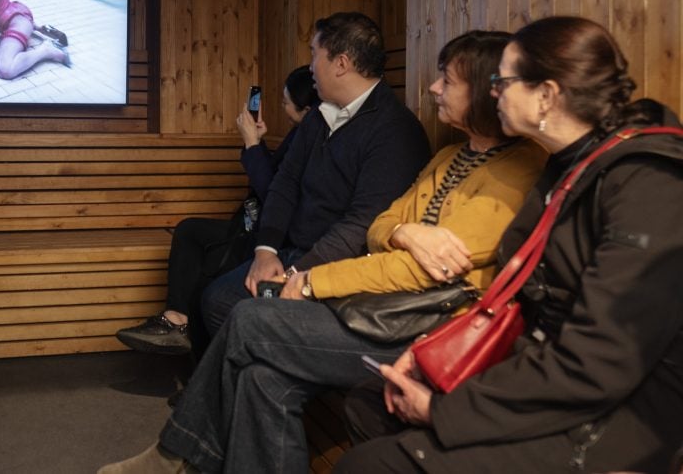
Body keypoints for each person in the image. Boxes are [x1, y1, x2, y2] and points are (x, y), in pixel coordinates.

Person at [98, 30, 547, 474]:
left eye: (447, 80)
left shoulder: (516, 173)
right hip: (386, 306)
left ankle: (175, 456)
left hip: (429, 331)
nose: (433, 88)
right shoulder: (449, 157)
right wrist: (407, 231)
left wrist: (309, 281)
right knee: (261, 378)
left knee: (248, 316)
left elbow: (419, 272)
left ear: (489, 92)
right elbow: (380, 227)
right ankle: (182, 452)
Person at [337, 16, 683, 474]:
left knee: (369, 466)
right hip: (547, 368)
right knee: (372, 403)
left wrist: (447, 412)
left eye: (503, 80)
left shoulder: (648, 183)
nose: (493, 91)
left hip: (616, 416)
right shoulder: (568, 165)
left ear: (546, 95)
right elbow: (521, 296)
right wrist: (430, 354)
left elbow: (599, 363)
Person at [200, 11, 432, 337]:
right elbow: (286, 182)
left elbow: (362, 223)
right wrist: (265, 251)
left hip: (339, 266)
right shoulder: (320, 117)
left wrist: (298, 273)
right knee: (216, 296)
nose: (310, 66)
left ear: (340, 64)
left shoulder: (394, 130)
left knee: (230, 305)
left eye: (314, 53)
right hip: (291, 250)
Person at [115, 66, 320, 356]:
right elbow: (276, 180)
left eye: (286, 103)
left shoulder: (310, 140)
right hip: (257, 225)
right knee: (190, 231)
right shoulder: (301, 133)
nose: (283, 108)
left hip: (275, 237)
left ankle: (181, 325)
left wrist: (251, 144)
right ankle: (177, 320)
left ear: (308, 109)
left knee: (206, 276)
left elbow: (275, 194)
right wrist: (257, 143)